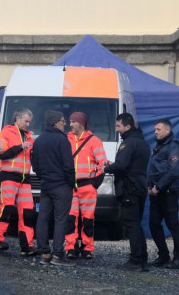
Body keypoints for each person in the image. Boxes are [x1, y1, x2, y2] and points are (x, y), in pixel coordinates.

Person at [103, 112, 151, 271]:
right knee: (136, 223)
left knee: (131, 224)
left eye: (118, 126)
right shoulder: (142, 142)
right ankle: (142, 259)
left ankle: (136, 261)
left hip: (130, 187)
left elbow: (122, 165)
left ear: (127, 126)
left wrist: (106, 168)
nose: (117, 129)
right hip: (140, 186)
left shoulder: (128, 143)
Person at [31, 110, 76, 267]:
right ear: (56, 122)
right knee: (60, 220)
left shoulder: (39, 140)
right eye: (63, 121)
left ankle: (44, 253)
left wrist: (43, 176)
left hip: (46, 185)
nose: (65, 124)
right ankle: (58, 255)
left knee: (43, 218)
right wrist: (71, 182)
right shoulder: (62, 140)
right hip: (61, 185)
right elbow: (68, 166)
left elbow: (35, 165)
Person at [0, 108, 37, 256]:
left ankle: (27, 246)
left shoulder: (29, 137)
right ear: (17, 118)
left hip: (25, 177)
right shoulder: (6, 133)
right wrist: (20, 147)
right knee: (7, 208)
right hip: (9, 176)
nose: (28, 124)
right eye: (26, 121)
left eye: (29, 121)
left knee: (27, 212)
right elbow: (2, 154)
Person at [65, 111, 107, 260]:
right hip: (71, 187)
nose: (70, 125)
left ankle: (87, 248)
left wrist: (95, 183)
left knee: (88, 219)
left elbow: (103, 164)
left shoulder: (94, 141)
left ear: (81, 124)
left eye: (73, 122)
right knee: (70, 219)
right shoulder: (66, 140)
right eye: (69, 122)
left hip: (87, 186)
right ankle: (71, 247)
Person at [147, 118, 179, 270]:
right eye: (155, 129)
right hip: (156, 193)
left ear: (167, 130)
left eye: (158, 129)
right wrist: (150, 186)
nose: (155, 132)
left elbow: (174, 171)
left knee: (173, 225)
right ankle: (163, 255)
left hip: (168, 192)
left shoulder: (174, 147)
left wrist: (159, 186)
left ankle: (178, 259)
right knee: (154, 223)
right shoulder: (159, 147)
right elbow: (155, 170)